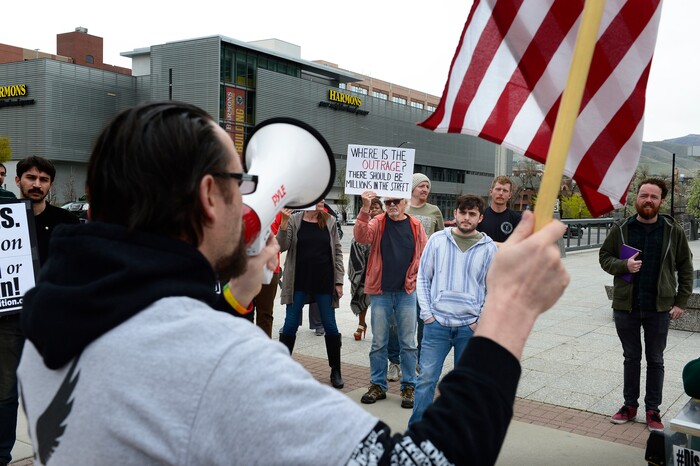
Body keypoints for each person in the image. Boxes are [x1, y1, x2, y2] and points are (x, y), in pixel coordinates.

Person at [17, 101, 570, 466]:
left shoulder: (54, 317)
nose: (249, 193)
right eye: (242, 180)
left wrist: (230, 298)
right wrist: (509, 309)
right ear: (211, 197)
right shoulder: (214, 363)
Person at [0, 156, 78, 466]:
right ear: (17, 181)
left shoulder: (66, 223)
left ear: (50, 185)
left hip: (50, 321)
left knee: (54, 390)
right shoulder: (3, 217)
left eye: (43, 180)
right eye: (30, 177)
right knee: (5, 393)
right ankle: (2, 453)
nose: (37, 184)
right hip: (8, 320)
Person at [600, 178, 693, 432]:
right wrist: (624, 266)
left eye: (653, 196)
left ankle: (653, 410)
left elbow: (686, 267)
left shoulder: (673, 231)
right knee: (631, 357)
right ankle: (630, 406)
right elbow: (604, 257)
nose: (648, 200)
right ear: (636, 198)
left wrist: (681, 301)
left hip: (658, 308)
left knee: (655, 359)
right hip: (626, 306)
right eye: (644, 195)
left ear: (661, 201)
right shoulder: (622, 228)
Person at [408, 194, 497, 427]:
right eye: (463, 212)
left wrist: (479, 321)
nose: (466, 218)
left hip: (469, 328)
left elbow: (494, 289)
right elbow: (423, 279)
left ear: (480, 218)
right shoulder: (437, 240)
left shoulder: (489, 249)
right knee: (426, 380)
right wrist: (427, 315)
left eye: (472, 214)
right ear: (455, 213)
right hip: (436, 326)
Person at [353, 191, 427, 409]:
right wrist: (365, 208)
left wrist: (415, 278)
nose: (392, 205)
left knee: (408, 342)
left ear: (405, 202)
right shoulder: (378, 221)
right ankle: (377, 385)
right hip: (381, 292)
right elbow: (361, 236)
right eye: (388, 202)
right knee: (378, 342)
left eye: (396, 201)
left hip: (406, 292)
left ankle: (409, 387)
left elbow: (423, 256)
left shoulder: (415, 225)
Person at [277, 200, 345, 388]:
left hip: (324, 281)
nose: (322, 201)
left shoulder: (330, 220)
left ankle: (336, 370)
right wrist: (283, 223)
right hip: (299, 280)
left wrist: (338, 281)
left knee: (330, 325)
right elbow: (281, 246)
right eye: (318, 199)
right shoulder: (295, 220)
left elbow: (338, 252)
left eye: (324, 199)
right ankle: (281, 369)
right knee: (290, 325)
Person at [398, 172, 445, 379]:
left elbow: (442, 238)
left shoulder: (434, 211)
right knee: (399, 320)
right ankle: (397, 359)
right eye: (421, 186)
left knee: (423, 316)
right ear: (412, 188)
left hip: (426, 273)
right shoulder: (402, 207)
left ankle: (419, 359)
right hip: (401, 270)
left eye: (427, 186)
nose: (425, 190)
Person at [348, 197, 383, 340]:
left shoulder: (386, 227)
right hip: (362, 270)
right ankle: (361, 324)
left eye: (377, 207)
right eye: (371, 208)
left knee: (378, 303)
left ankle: (379, 328)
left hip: (380, 271)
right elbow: (354, 244)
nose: (374, 210)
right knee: (361, 295)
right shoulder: (362, 226)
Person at [480, 175, 521, 245]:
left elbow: (519, 245)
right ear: (491, 192)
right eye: (498, 189)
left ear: (510, 195)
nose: (501, 193)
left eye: (505, 190)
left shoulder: (517, 219)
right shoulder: (480, 216)